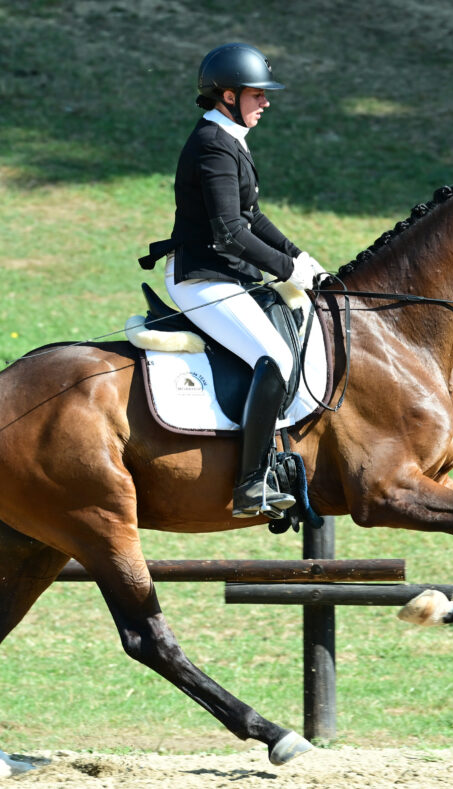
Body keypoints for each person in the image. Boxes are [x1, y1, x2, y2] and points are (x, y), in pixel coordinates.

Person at [139, 42, 326, 520]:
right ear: (227, 95)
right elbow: (229, 230)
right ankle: (250, 484)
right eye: (256, 94)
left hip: (229, 277)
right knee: (276, 359)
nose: (265, 102)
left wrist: (300, 257)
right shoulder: (211, 145)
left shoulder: (230, 140)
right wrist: (287, 271)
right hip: (202, 279)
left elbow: (252, 216)